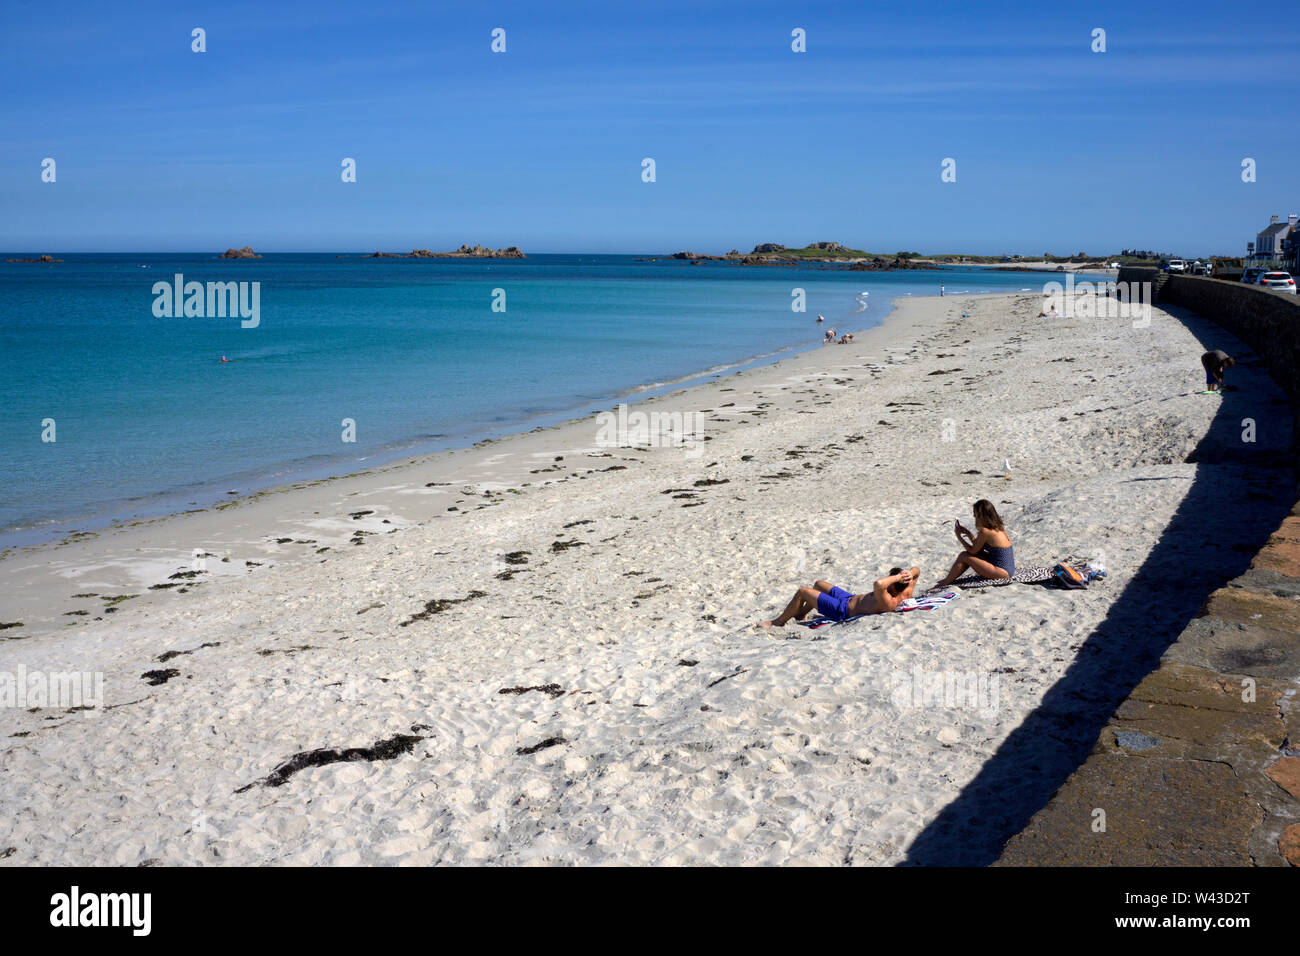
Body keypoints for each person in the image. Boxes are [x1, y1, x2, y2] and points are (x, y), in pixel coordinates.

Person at [757, 566, 921, 628]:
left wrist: (896, 578)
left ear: (892, 585)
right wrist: (908, 573)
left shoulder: (888, 600)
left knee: (802, 591)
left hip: (842, 610)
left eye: (890, 581)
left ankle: (778, 622)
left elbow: (878, 583)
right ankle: (800, 613)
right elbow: (918, 570)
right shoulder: (907, 588)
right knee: (818, 583)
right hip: (849, 597)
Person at [934, 499, 1014, 588]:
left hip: (1001, 572)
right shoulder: (999, 528)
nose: (974, 516)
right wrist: (968, 534)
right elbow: (978, 547)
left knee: (964, 556)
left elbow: (973, 551)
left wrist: (959, 537)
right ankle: (949, 580)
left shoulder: (985, 531)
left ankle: (945, 582)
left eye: (975, 513)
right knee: (971, 555)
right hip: (1008, 569)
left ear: (981, 515)